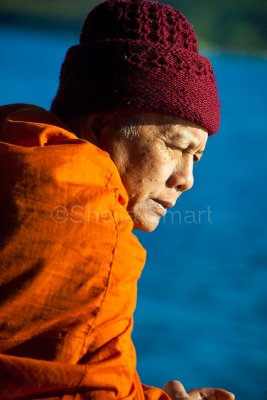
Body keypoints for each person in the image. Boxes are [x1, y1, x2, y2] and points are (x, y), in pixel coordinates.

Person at [0, 0, 234, 399]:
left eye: (197, 158)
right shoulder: (84, 214)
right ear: (100, 126)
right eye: (176, 146)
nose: (187, 180)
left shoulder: (15, 145)